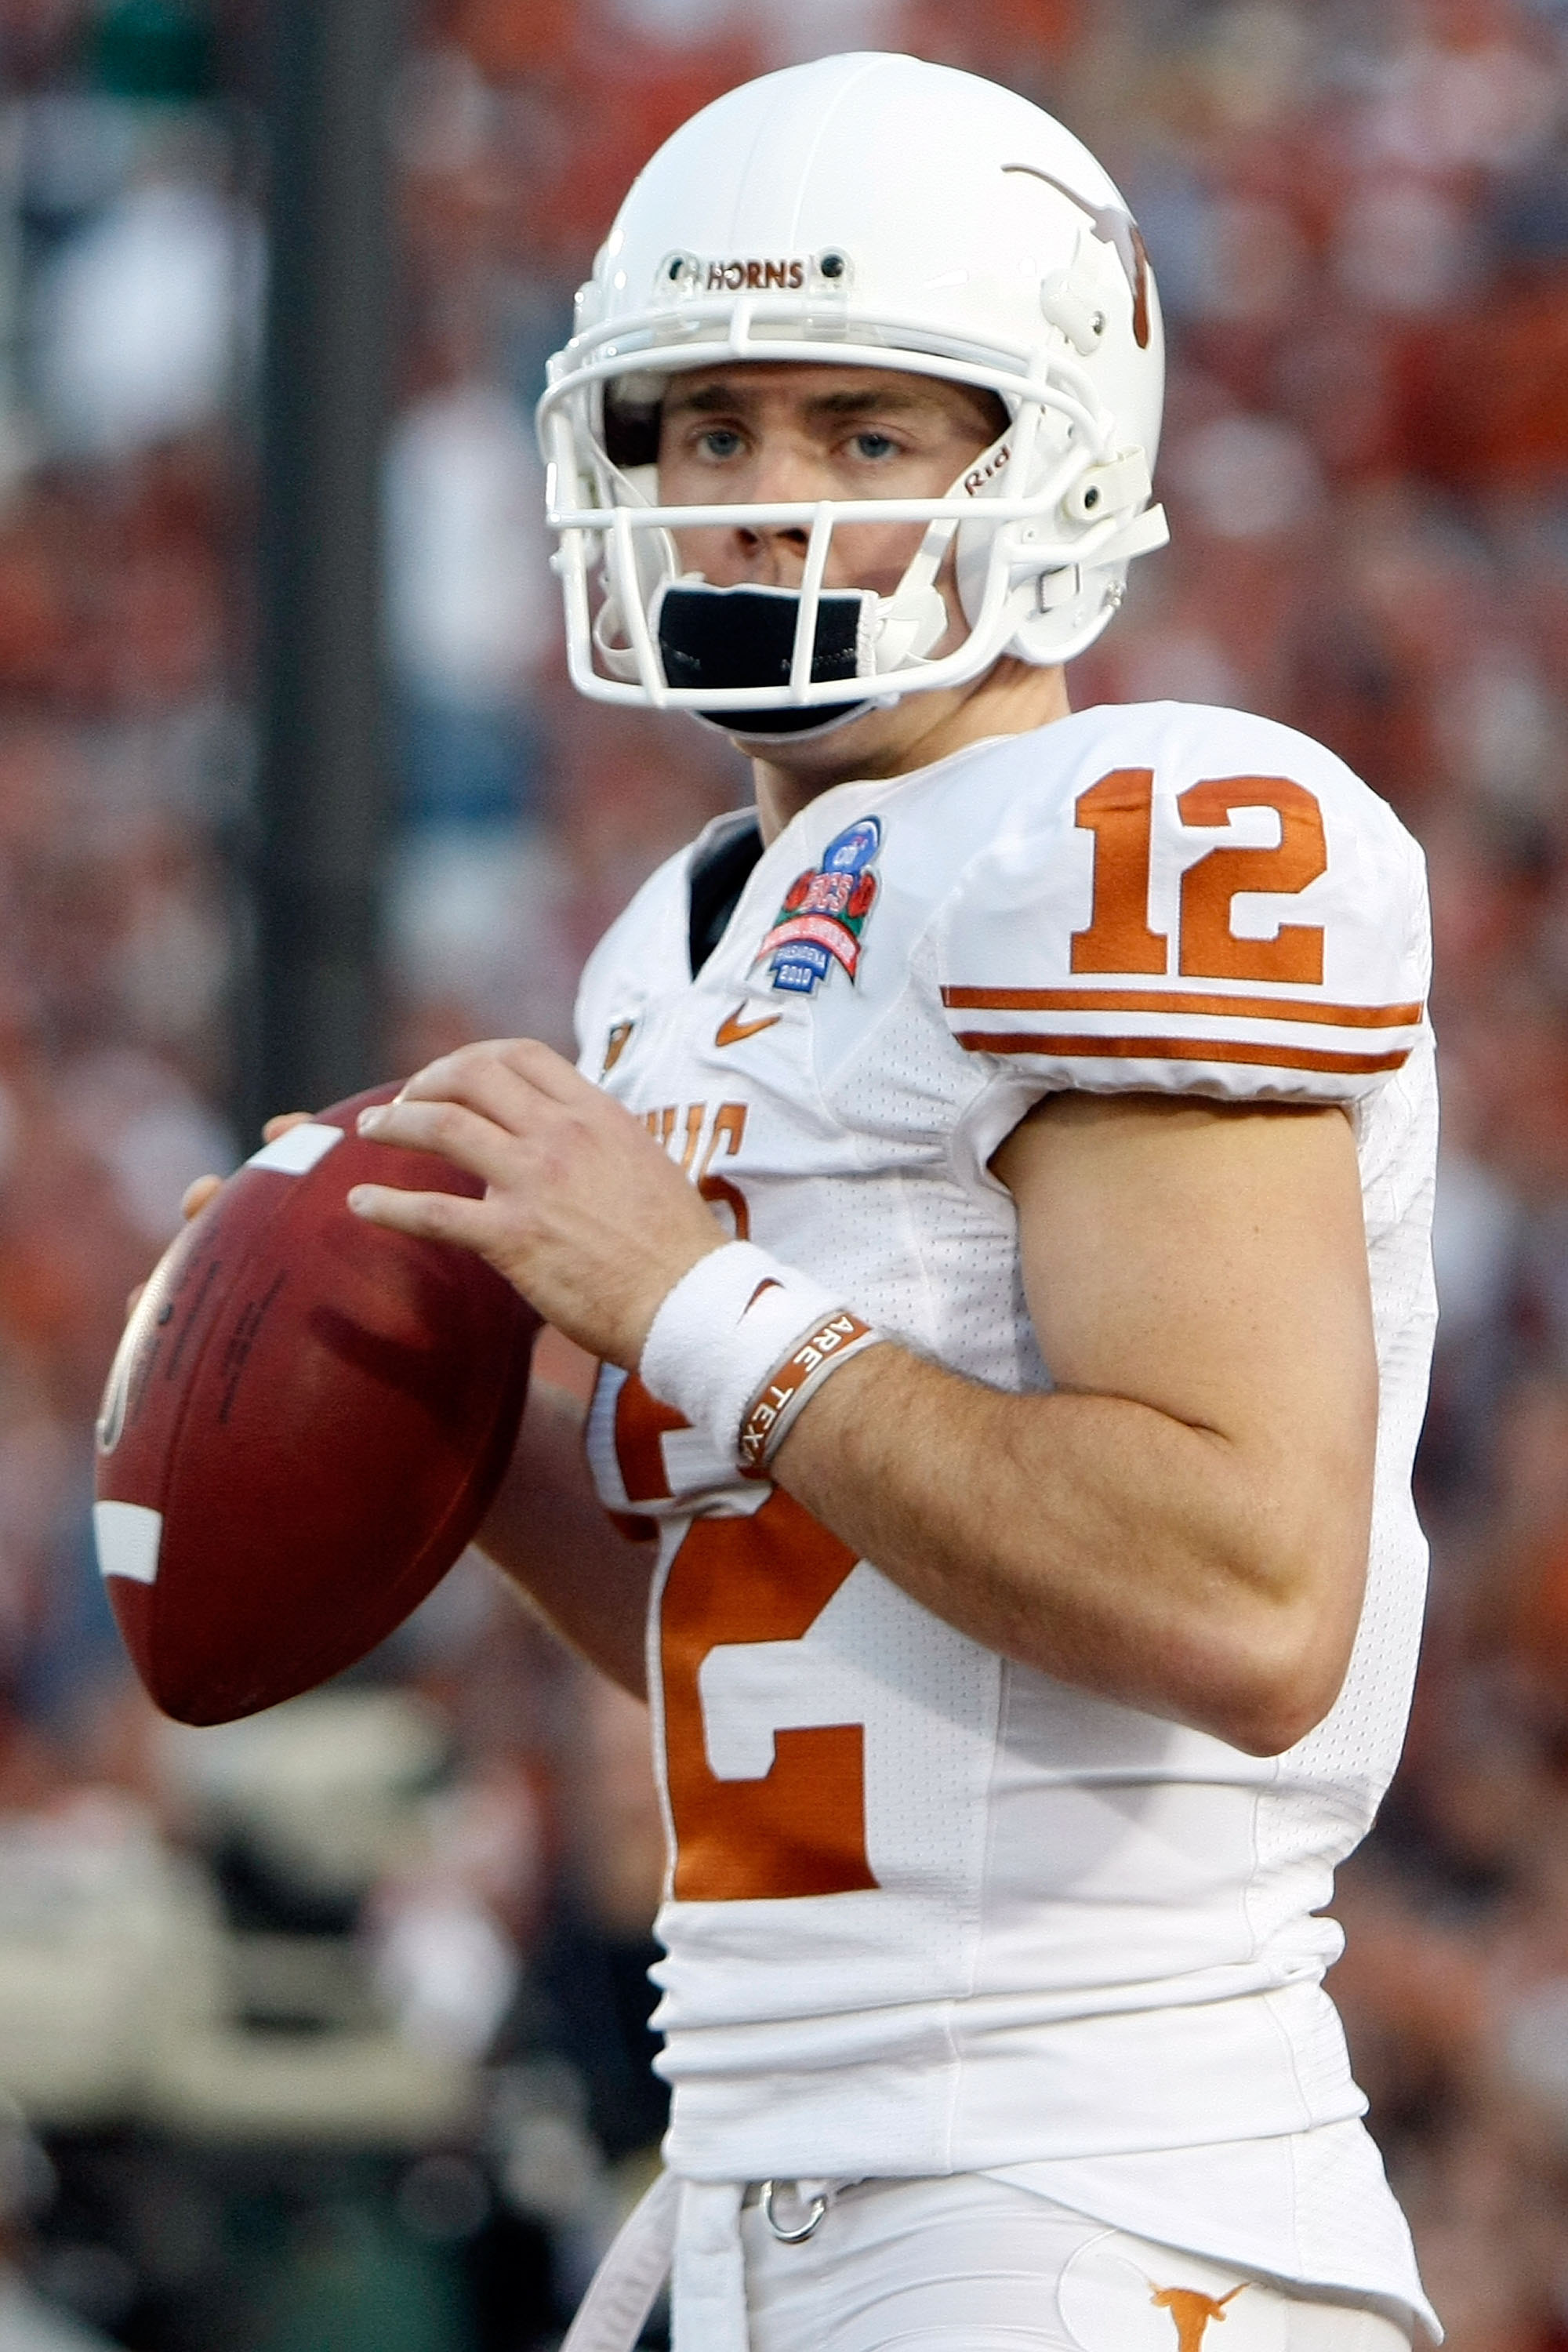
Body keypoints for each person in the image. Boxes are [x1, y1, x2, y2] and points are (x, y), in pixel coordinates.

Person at [306, 51, 1440, 2352]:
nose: (760, 499)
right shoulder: (678, 945)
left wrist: (690, 1301)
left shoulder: (1139, 831)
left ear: (1054, 455)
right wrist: (412, 1399)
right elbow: (801, 1611)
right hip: (767, 2168)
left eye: (866, 430)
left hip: (1093, 2182)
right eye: (710, 431)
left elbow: (1241, 1593)